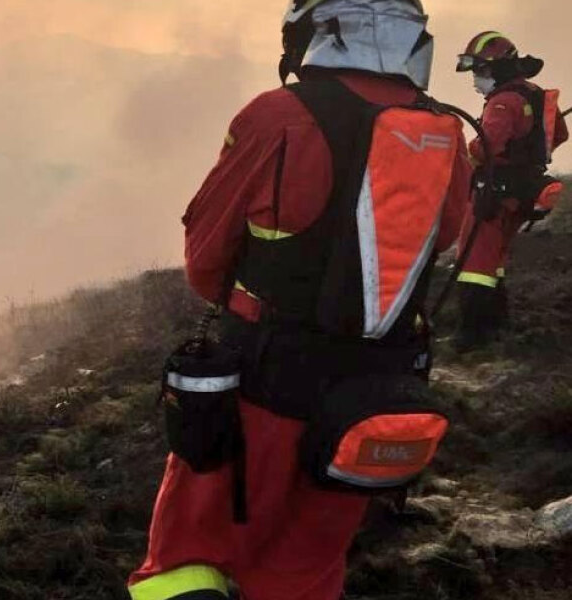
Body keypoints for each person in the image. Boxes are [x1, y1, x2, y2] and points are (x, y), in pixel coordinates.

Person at [127, 1, 472, 599]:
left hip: (264, 381)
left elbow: (206, 253)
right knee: (305, 569)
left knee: (187, 559)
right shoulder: (446, 133)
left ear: (315, 29)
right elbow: (442, 239)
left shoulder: (279, 115)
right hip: (372, 395)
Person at [453, 32, 568, 350]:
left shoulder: (503, 102)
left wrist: (465, 149)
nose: (476, 79)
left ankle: (473, 335)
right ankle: (497, 322)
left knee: (473, 261)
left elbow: (485, 147)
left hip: (494, 192)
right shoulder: (537, 94)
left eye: (481, 71)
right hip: (522, 190)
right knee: (495, 257)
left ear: (498, 69)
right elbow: (559, 134)